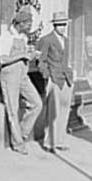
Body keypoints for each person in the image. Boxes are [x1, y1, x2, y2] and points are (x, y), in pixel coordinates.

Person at [0, 10, 42, 155]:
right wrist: (22, 55)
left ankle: (21, 133)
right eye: (28, 23)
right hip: (10, 75)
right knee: (13, 110)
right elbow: (2, 59)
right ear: (20, 23)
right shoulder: (6, 36)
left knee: (37, 103)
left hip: (23, 75)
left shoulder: (23, 36)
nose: (30, 26)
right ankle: (18, 143)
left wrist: (31, 55)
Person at [37, 11, 74, 153]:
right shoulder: (46, 40)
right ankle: (49, 142)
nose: (62, 27)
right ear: (54, 25)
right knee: (52, 112)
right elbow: (41, 61)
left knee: (64, 110)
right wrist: (47, 76)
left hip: (66, 78)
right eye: (59, 24)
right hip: (54, 78)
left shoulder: (66, 40)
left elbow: (66, 59)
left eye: (64, 24)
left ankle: (60, 141)